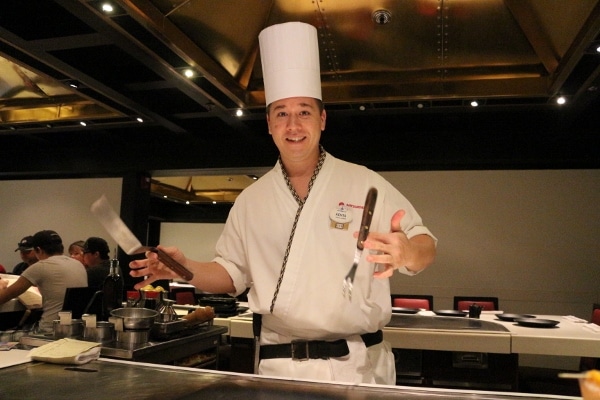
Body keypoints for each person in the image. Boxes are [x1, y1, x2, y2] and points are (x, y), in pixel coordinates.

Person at [130, 22, 436, 385]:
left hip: (358, 367)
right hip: (279, 366)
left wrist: (406, 253)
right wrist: (185, 269)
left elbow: (424, 244)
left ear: (322, 119)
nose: (293, 124)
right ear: (270, 124)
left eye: (304, 111)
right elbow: (232, 273)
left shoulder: (364, 182)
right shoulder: (251, 199)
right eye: (281, 113)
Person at [0, 230, 87, 334]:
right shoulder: (78, 265)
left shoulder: (40, 267)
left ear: (38, 250)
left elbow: (4, 297)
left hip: (49, 331)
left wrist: (2, 285)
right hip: (75, 329)